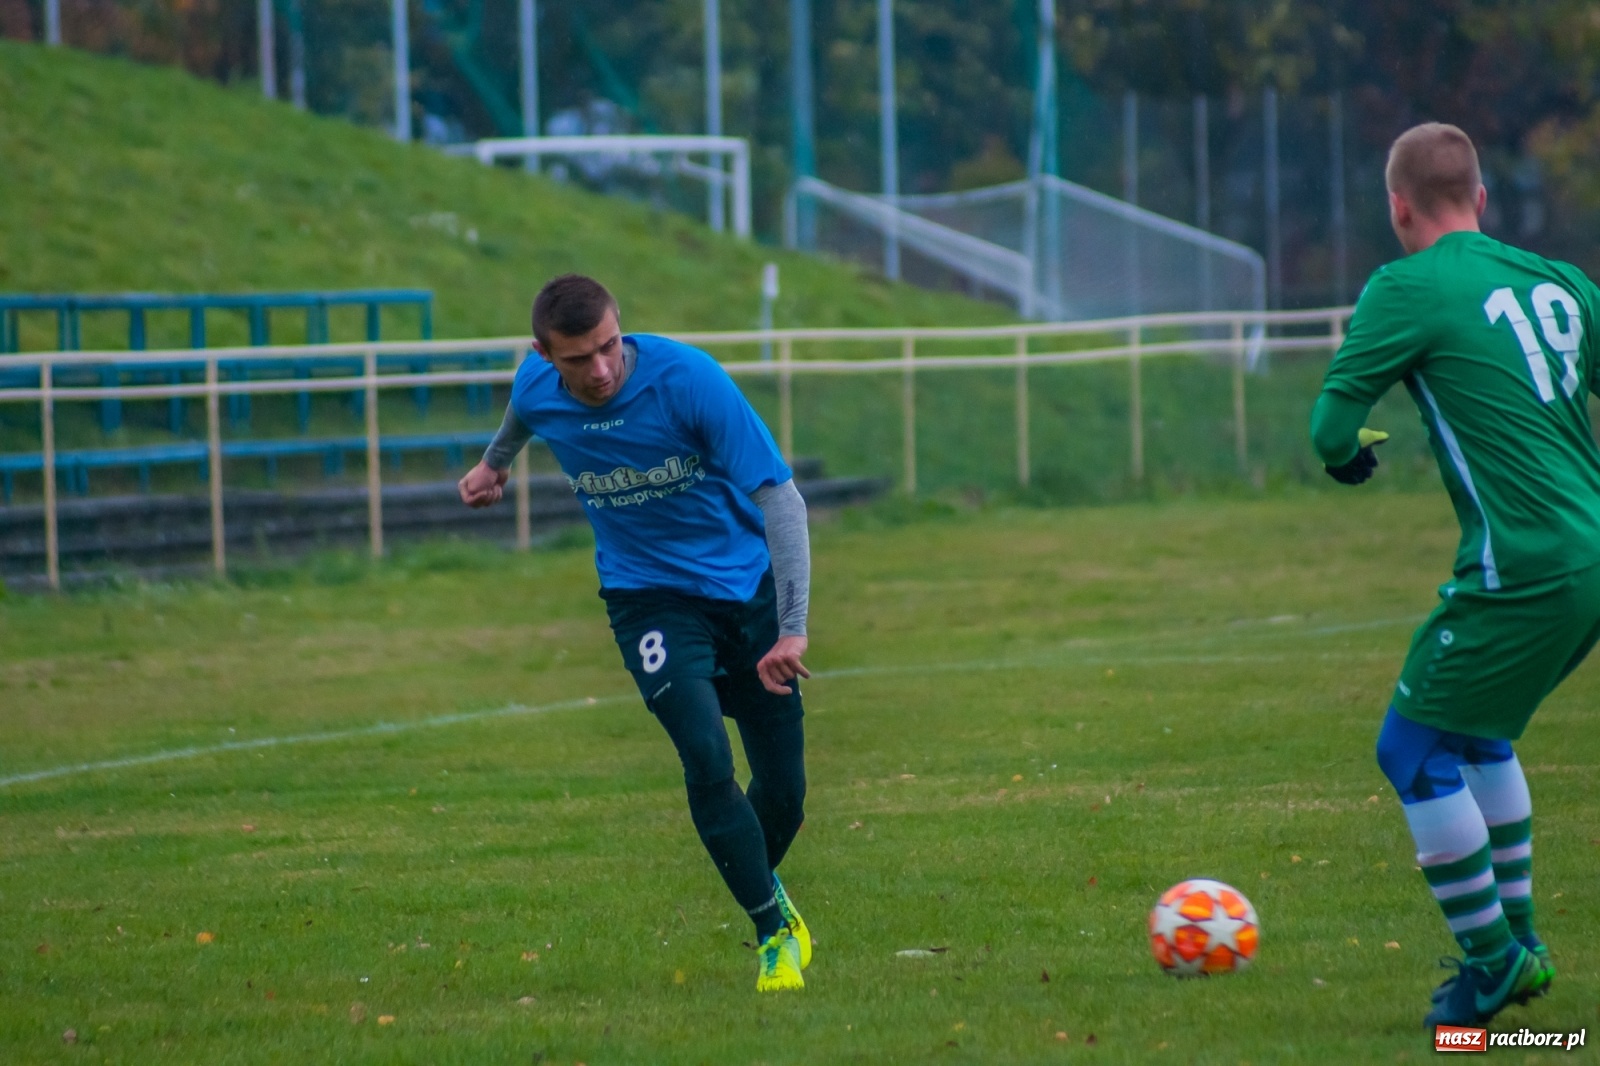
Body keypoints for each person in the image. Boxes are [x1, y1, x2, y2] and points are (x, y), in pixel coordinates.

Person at [1310, 122, 1600, 1028]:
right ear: (1480, 198)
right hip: (1590, 552)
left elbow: (1330, 426)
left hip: (1523, 564)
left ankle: (1492, 963)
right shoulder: (1561, 282)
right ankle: (1523, 948)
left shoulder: (1406, 286)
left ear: (1397, 207)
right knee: (1476, 740)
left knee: (1408, 749)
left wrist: (1349, 455)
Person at [458, 274, 815, 992]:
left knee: (784, 791)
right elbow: (521, 414)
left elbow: (781, 498)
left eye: (609, 347)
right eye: (577, 359)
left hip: (746, 595)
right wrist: (493, 465)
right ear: (543, 356)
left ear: (622, 331)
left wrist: (791, 627)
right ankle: (772, 930)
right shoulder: (537, 385)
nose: (599, 370)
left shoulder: (690, 381)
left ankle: (759, 880)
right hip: (646, 601)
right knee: (706, 755)